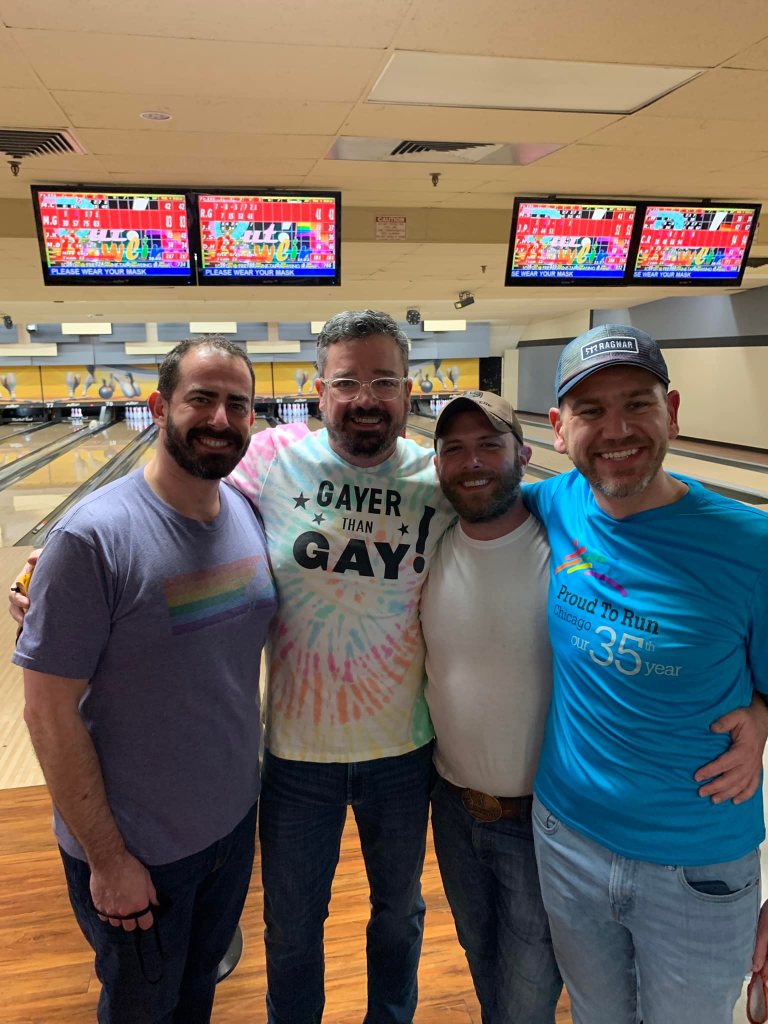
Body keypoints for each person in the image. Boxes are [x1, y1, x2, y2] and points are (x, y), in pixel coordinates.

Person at [12, 338, 277, 1024]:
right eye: (201, 399)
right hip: (138, 851)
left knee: (196, 997)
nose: (220, 418)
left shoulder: (246, 513)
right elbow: (47, 714)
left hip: (229, 829)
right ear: (158, 407)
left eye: (237, 404)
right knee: (142, 1009)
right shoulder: (92, 538)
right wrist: (108, 861)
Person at [524, 323, 768, 1024]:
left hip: (698, 867)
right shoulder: (555, 503)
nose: (617, 430)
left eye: (638, 403)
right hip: (567, 838)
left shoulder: (749, 547)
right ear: (558, 429)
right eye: (591, 410)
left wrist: (762, 716)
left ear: (673, 412)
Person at [226, 310, 455, 1023]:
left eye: (384, 381)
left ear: (408, 391)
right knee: (292, 928)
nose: (366, 397)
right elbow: (176, 503)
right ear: (319, 389)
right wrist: (58, 555)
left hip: (404, 752)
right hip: (297, 758)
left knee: (400, 916)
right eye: (348, 381)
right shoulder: (270, 458)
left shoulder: (438, 476)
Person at [421, 391, 562, 1024]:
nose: (471, 462)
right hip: (452, 807)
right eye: (454, 449)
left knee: (527, 997)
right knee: (482, 965)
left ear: (524, 455)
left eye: (488, 445)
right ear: (438, 466)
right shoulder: (430, 547)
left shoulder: (566, 548)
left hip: (541, 821)